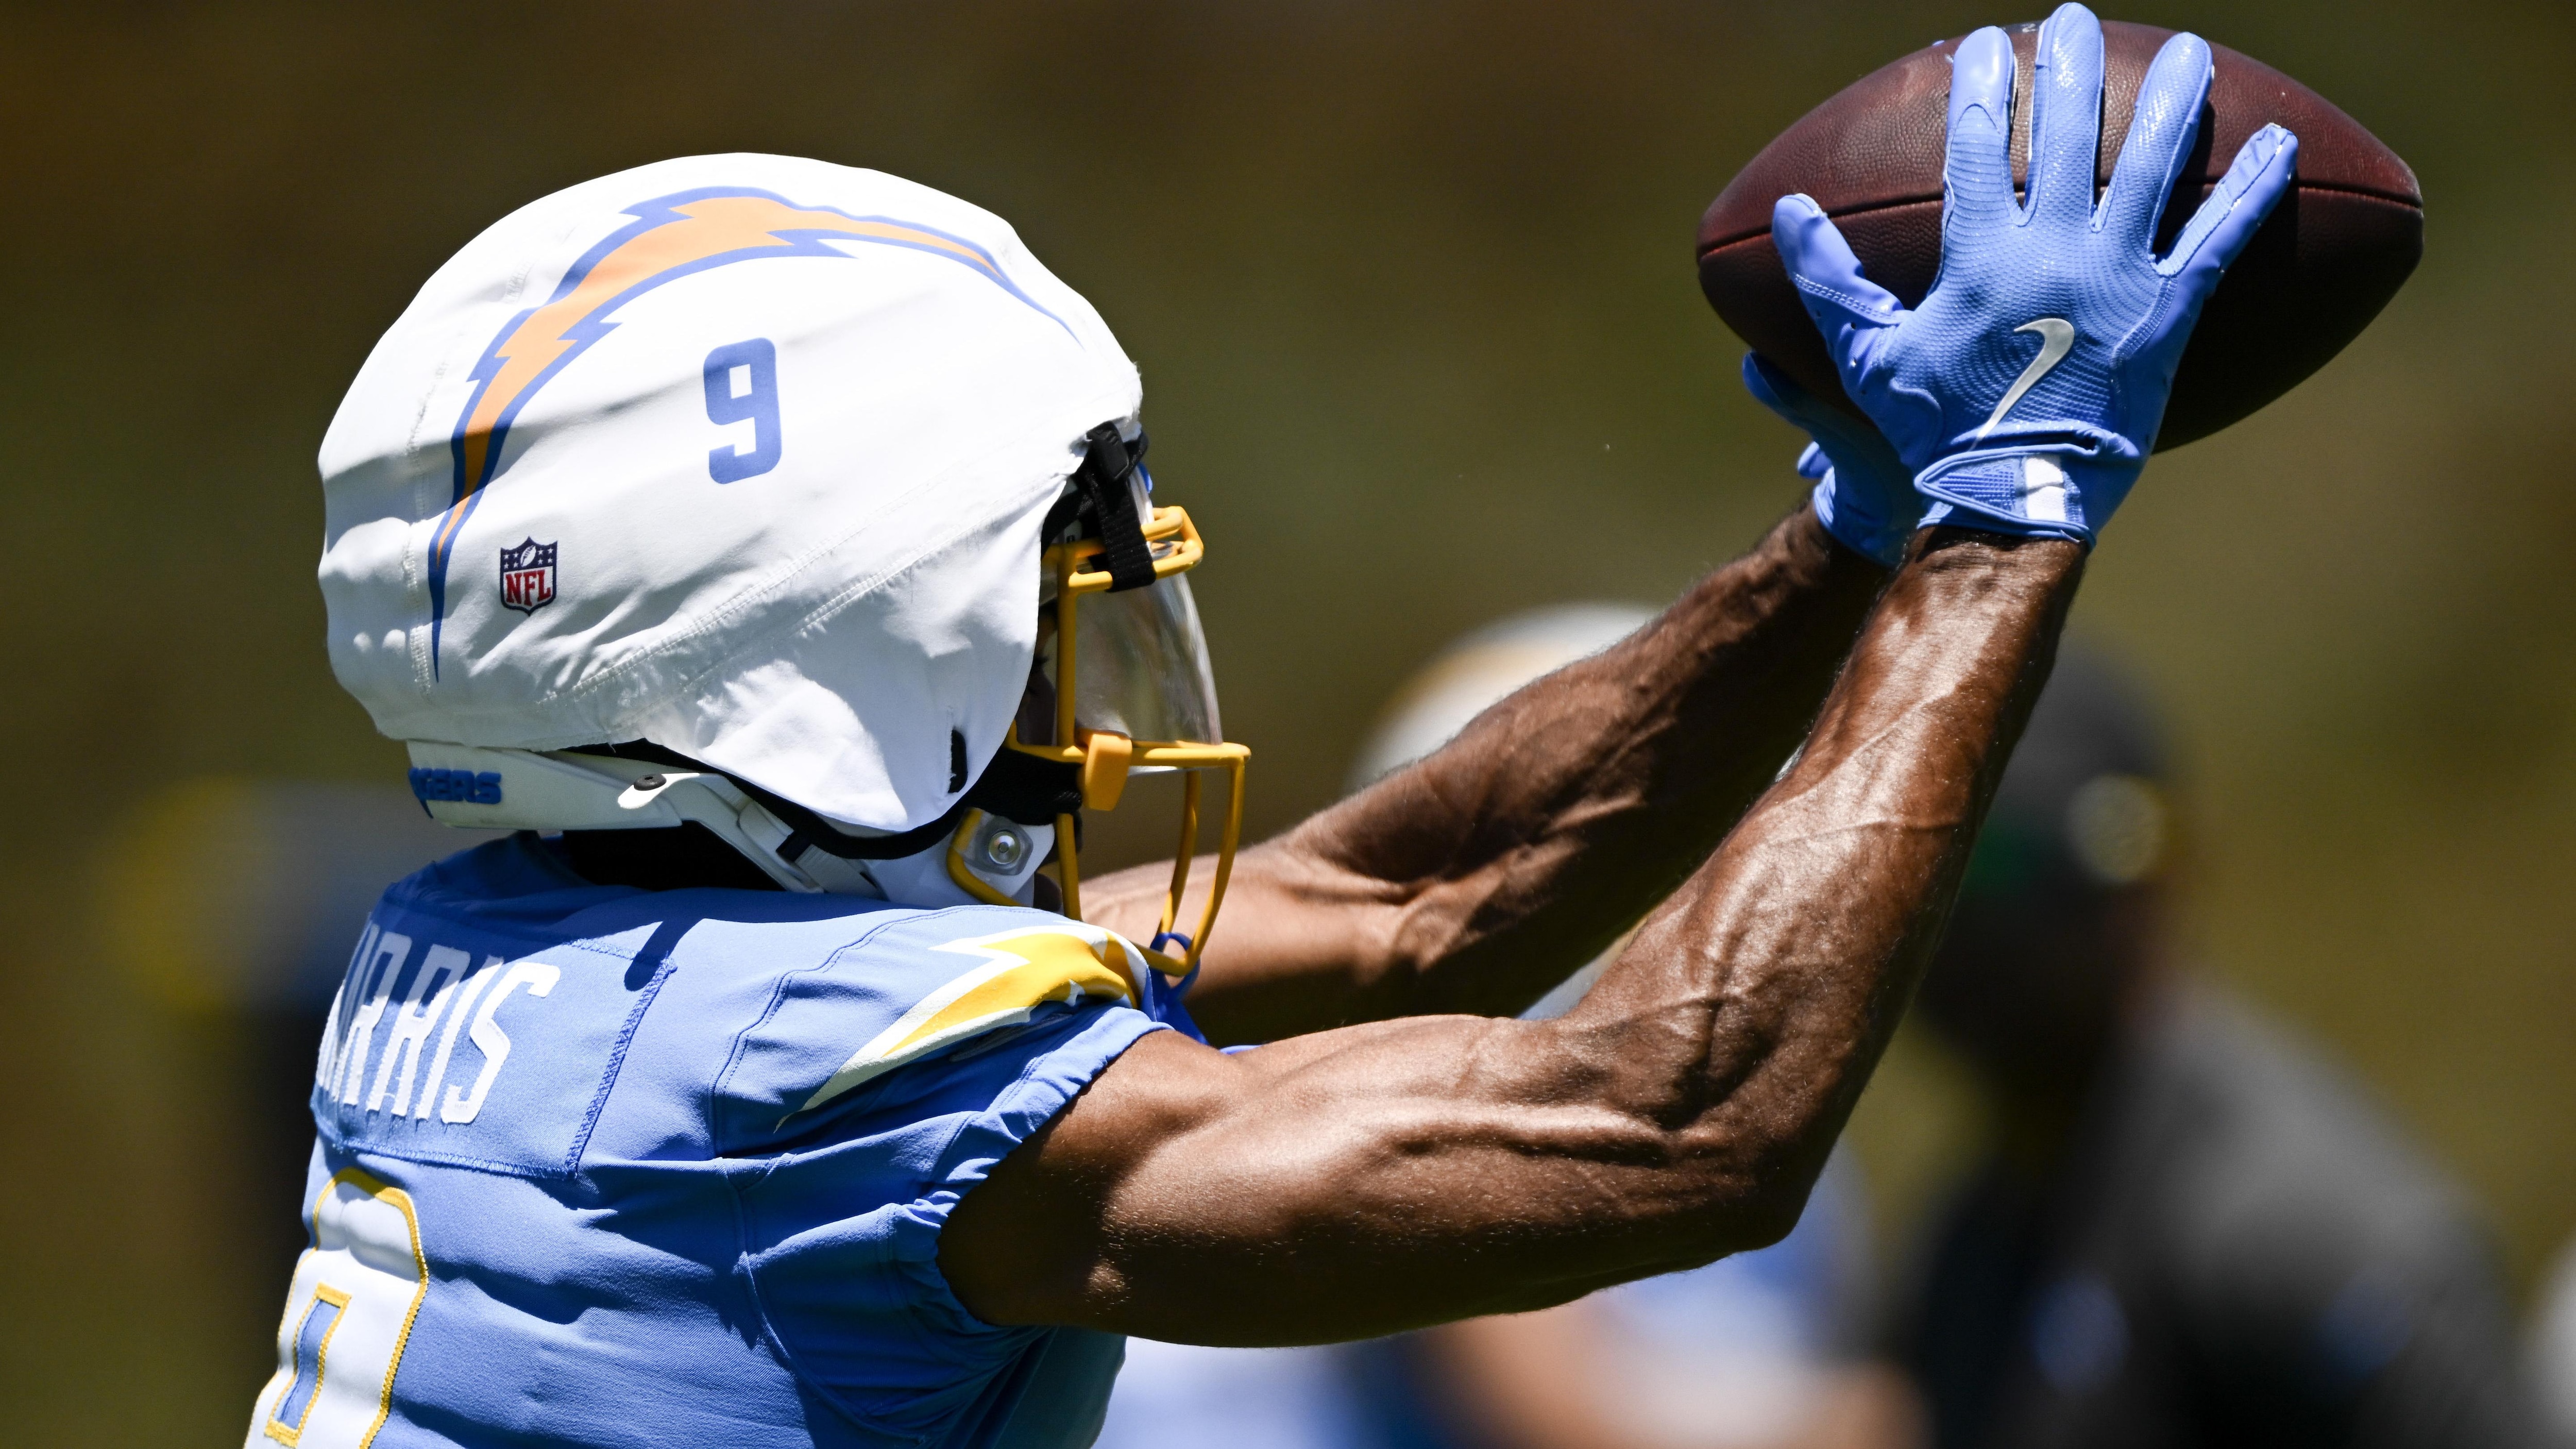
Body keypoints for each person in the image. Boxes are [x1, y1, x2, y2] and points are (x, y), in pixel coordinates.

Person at [255, 9, 2294, 1445]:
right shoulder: (814, 1076)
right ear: (836, 625)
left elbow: (1416, 896)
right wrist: (1998, 519)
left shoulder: (540, 946)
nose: (1083, 657)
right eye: (1033, 590)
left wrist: (1842, 538)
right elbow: (1664, 1121)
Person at [1889, 648, 2558, 1448]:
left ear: (2131, 884)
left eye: (1989, 868)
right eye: (1910, 871)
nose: (1946, 928)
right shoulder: (1968, 1241)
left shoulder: (2282, 1228)